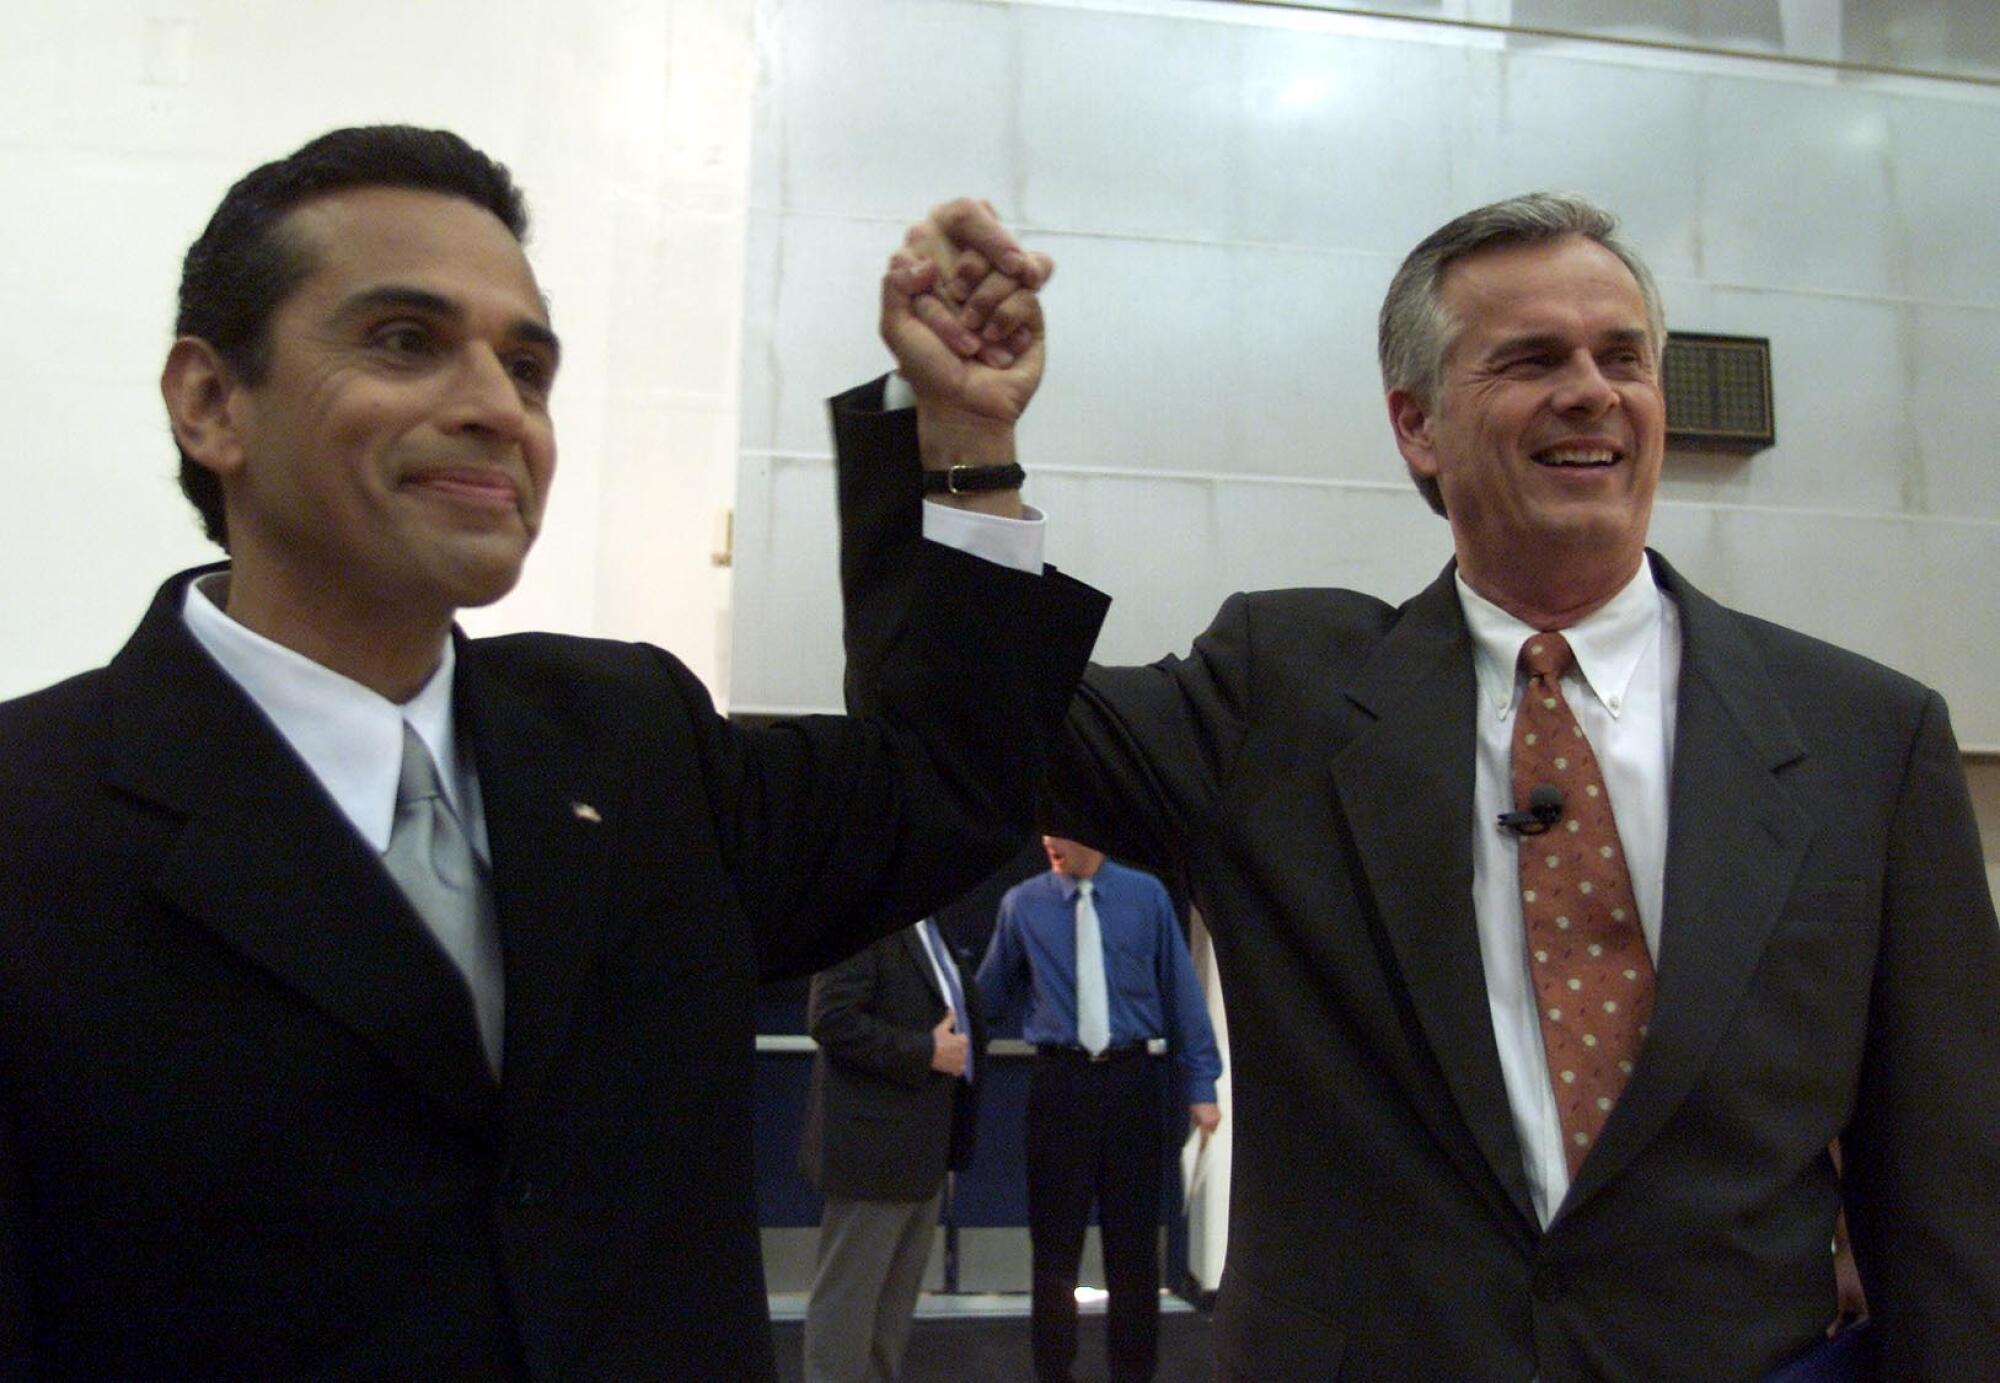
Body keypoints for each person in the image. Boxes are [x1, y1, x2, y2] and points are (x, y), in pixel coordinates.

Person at [0, 127, 1108, 1379]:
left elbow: (946, 787)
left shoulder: (629, 741)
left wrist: (961, 436)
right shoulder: (34, 829)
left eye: (526, 368)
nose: (492, 407)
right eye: (404, 342)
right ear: (210, 401)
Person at [841, 193, 2000, 1380]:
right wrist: (964, 447)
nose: (1592, 390)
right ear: (1417, 425)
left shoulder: (1864, 739)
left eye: (1622, 357)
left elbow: (1951, 1185)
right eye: (1530, 359)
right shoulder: (1275, 700)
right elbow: (963, 744)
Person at [977, 836, 1222, 1383]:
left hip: (1131, 1083)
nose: (1048, 843)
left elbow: (1182, 994)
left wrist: (1201, 1084)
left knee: (1135, 1252)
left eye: (1059, 831)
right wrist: (941, 1045)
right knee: (1054, 1250)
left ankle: (1133, 1374)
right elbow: (987, 998)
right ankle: (1052, 1372)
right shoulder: (1023, 904)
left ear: (1089, 830)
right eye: (1041, 832)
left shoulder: (1147, 898)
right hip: (1059, 1085)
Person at [796, 918, 985, 1383]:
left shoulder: (930, 923)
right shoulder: (863, 918)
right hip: (872, 1154)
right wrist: (923, 1052)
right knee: (846, 1315)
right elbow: (830, 1017)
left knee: (890, 1319)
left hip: (922, 1152)